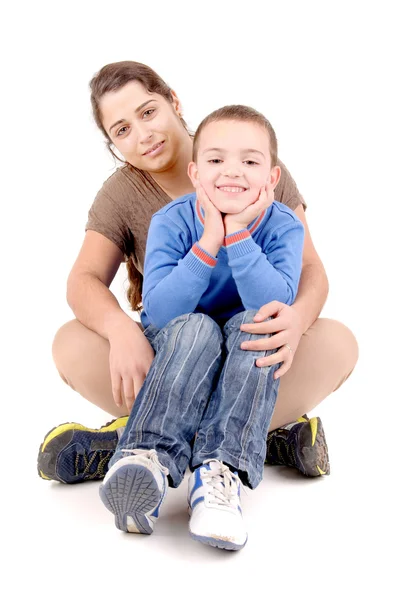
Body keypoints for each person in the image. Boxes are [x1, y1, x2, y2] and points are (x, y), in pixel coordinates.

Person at [37, 60, 358, 485]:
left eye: (148, 112)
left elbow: (310, 267)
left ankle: (145, 442)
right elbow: (83, 280)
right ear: (114, 145)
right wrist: (120, 328)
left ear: (174, 101)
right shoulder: (122, 195)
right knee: (70, 343)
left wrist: (297, 320)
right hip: (176, 355)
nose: (143, 134)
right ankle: (261, 438)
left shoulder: (251, 163)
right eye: (122, 130)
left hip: (254, 352)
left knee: (338, 342)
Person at [99, 104, 305, 550]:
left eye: (250, 161)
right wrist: (211, 239)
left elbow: (274, 303)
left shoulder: (284, 225)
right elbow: (163, 311)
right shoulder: (172, 220)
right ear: (195, 173)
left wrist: (239, 235)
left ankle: (218, 473)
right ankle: (148, 458)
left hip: (243, 357)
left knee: (259, 324)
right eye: (216, 160)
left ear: (272, 178)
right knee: (196, 327)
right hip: (180, 346)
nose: (232, 172)